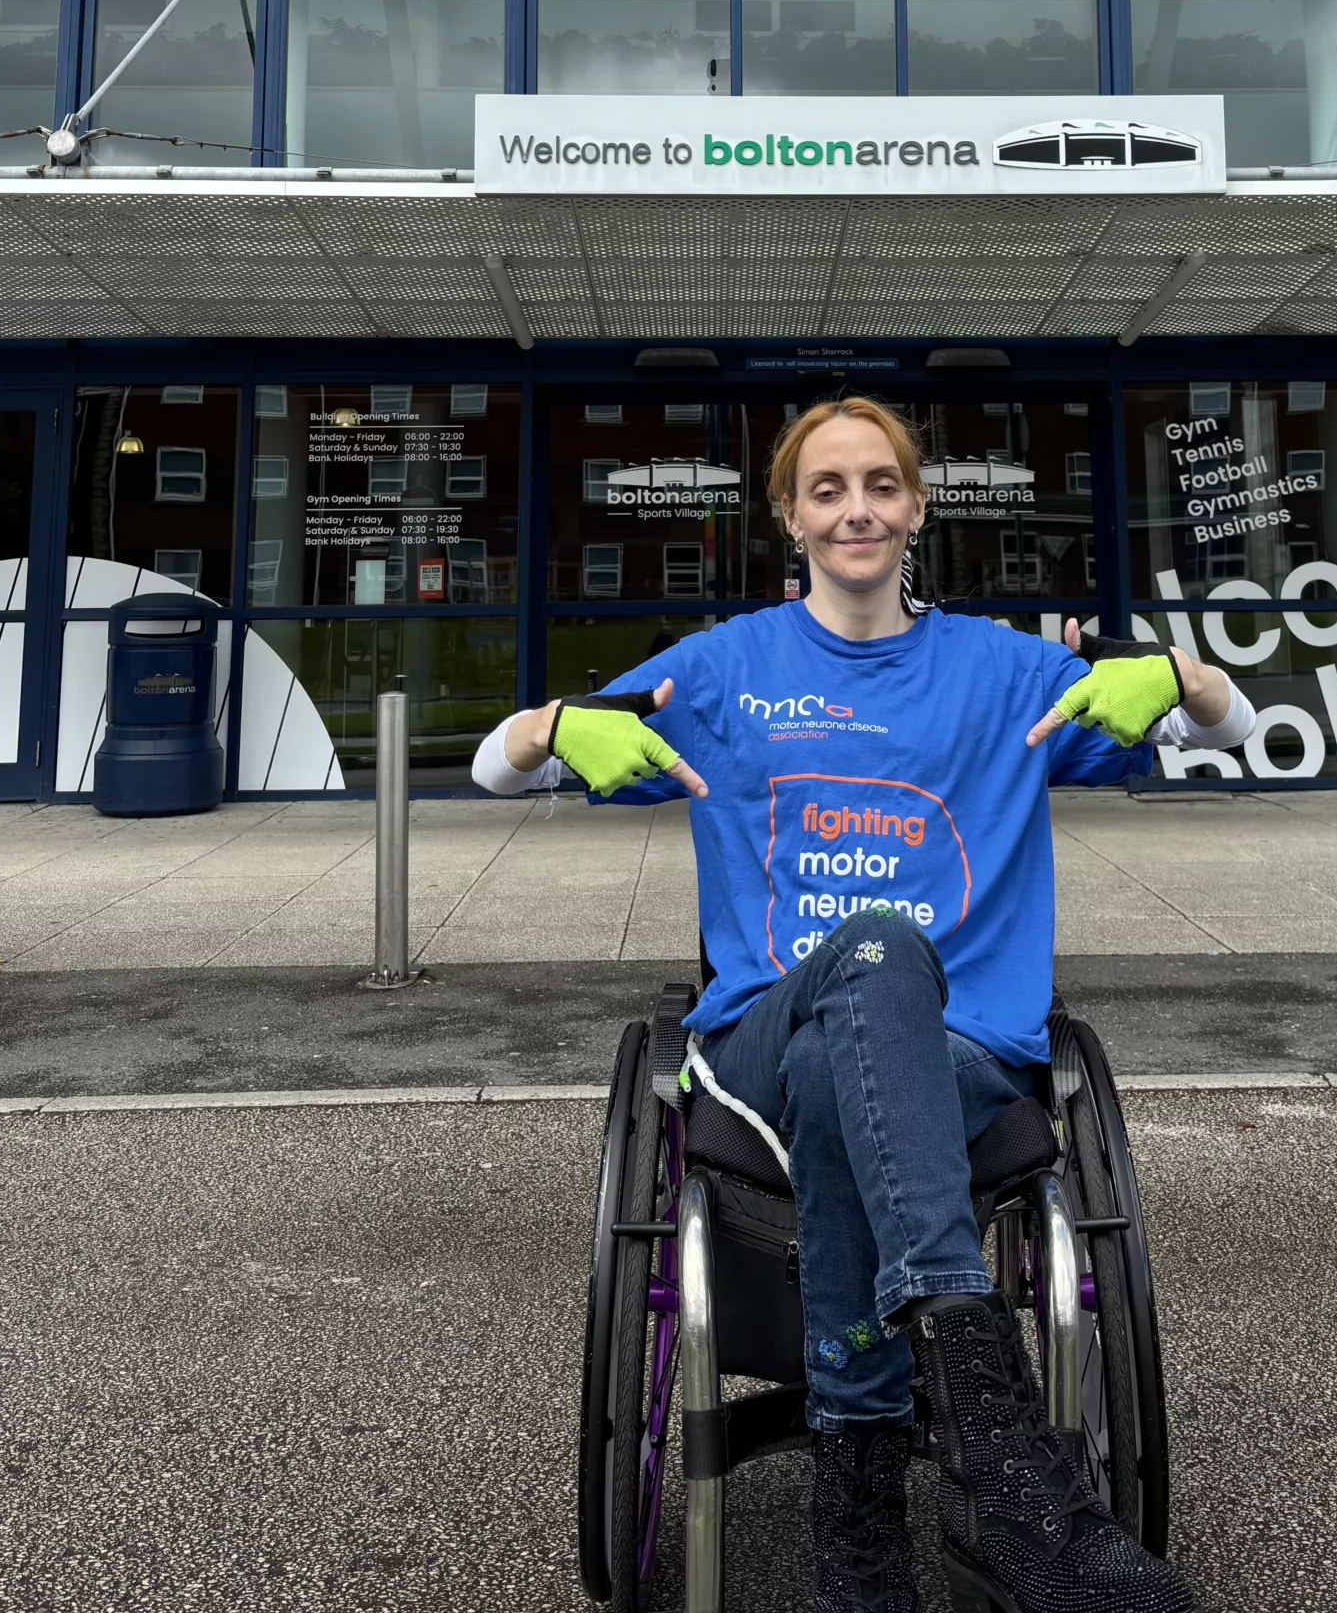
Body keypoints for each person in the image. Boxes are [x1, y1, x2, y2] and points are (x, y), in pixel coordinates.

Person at [473, 396, 1254, 1613]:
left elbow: (1234, 727)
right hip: (760, 1042)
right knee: (877, 948)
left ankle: (862, 1542)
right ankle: (1002, 1458)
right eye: (827, 488)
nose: (857, 509)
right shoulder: (721, 669)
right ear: (789, 515)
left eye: (881, 484)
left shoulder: (1004, 671)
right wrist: (548, 727)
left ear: (918, 506)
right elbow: (491, 767)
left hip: (961, 1054)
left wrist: (1184, 676)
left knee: (856, 1051)